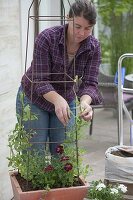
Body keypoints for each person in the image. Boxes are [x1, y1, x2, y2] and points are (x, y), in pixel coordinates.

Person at [16, 0, 102, 155]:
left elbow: (90, 82)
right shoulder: (47, 38)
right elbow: (40, 81)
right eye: (77, 26)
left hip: (65, 99)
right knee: (34, 154)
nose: (82, 33)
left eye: (88, 28)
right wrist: (57, 99)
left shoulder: (93, 47)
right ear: (68, 18)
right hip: (34, 98)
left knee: (63, 156)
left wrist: (84, 103)